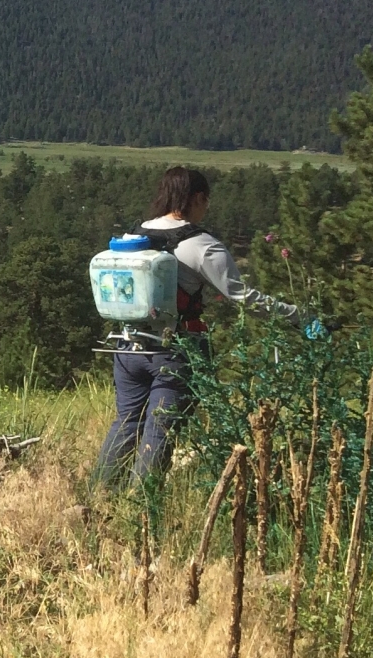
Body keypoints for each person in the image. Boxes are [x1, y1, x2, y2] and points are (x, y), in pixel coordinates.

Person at [96, 166, 299, 482]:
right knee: (160, 430)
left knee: (126, 422)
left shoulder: (135, 235)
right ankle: (141, 506)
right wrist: (297, 317)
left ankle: (100, 495)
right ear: (198, 198)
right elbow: (242, 296)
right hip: (173, 349)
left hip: (127, 346)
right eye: (206, 200)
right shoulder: (202, 244)